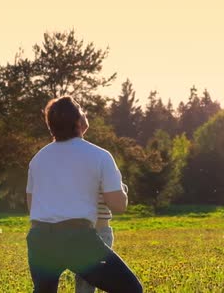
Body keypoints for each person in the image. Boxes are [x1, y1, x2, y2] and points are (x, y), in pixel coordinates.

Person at [25, 96, 143, 293]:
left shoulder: (38, 159)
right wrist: (121, 190)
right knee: (130, 289)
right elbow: (118, 205)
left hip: (40, 239)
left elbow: (32, 205)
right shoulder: (99, 156)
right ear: (78, 121)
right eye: (81, 109)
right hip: (77, 239)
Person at [74, 113, 127, 293]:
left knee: (85, 283)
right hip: (98, 231)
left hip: (74, 232)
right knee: (87, 285)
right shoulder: (100, 158)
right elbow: (118, 200)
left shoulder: (67, 164)